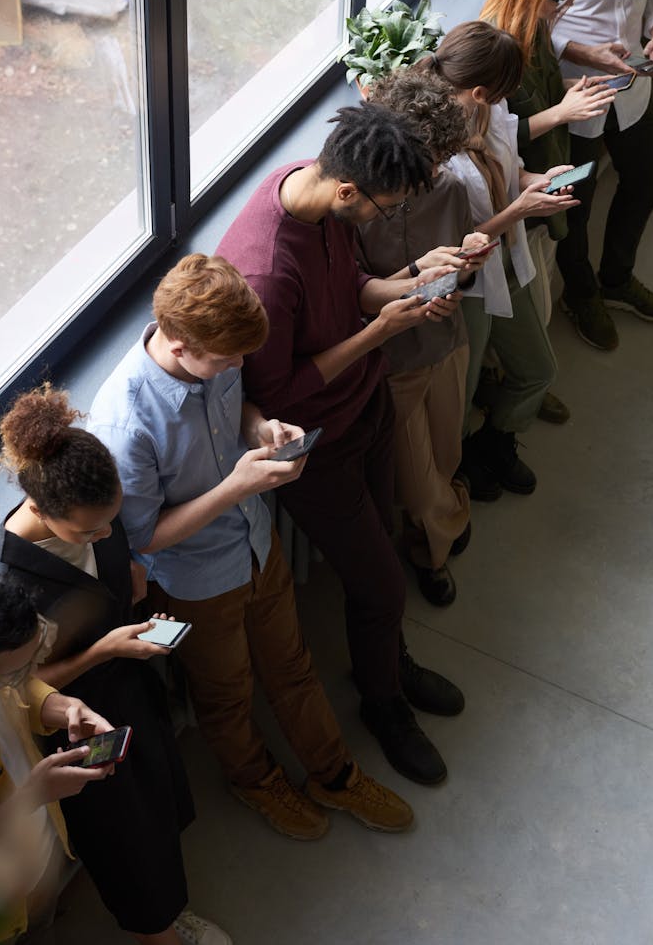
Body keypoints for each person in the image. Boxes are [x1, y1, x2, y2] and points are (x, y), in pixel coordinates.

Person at [88, 253, 414, 840]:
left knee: (293, 667)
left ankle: (333, 774)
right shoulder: (124, 424)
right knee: (226, 693)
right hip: (194, 584)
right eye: (225, 360)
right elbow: (140, 540)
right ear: (178, 343)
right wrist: (235, 485)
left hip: (259, 546)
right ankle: (255, 781)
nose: (237, 366)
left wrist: (262, 428)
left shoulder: (219, 351)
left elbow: (238, 405)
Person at [216, 101, 467, 787]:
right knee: (381, 577)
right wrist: (382, 332)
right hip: (317, 446)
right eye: (385, 209)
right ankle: (384, 704)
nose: (384, 220)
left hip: (367, 403)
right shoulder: (265, 274)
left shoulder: (315, 189)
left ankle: (387, 658)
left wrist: (410, 285)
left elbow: (355, 286)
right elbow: (282, 398)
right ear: (349, 190)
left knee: (382, 553)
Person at [0, 384, 233, 945]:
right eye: (88, 532)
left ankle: (166, 911)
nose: (103, 535)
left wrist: (133, 576)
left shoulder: (95, 506)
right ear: (39, 509)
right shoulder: (8, 581)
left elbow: (110, 558)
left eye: (109, 524)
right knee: (125, 839)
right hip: (78, 725)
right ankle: (158, 930)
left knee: (156, 807)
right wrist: (104, 650)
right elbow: (20, 691)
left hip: (133, 691)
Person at [416, 21, 579, 499]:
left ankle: (496, 440)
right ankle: (463, 462)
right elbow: (451, 248)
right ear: (480, 90)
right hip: (468, 284)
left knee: (538, 369)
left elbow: (511, 168)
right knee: (459, 394)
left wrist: (534, 179)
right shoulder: (432, 153)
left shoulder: (490, 109)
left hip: (508, 262)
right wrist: (518, 212)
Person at [525, 0, 653, 351]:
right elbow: (523, 19)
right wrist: (579, 51)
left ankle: (616, 279)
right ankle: (582, 294)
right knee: (577, 202)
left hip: (632, 88)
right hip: (575, 95)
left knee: (649, 179)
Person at [357, 68, 492, 607]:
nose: (437, 171)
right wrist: (413, 282)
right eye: (430, 159)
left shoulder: (451, 184)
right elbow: (354, 296)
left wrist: (466, 271)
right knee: (412, 482)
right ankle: (438, 544)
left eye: (442, 158)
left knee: (447, 451)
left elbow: (460, 264)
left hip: (447, 340)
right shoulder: (358, 208)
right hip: (394, 361)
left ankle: (441, 520)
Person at [480, 0, 616, 422]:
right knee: (529, 306)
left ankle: (521, 377)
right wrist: (563, 112)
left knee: (541, 287)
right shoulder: (493, 47)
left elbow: (537, 97)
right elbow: (486, 143)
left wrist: (572, 87)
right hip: (521, 195)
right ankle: (517, 382)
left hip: (547, 178)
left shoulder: (534, 29)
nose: (563, 9)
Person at [0, 570, 113, 945]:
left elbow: (18, 690)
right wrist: (31, 796)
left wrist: (63, 707)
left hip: (40, 851)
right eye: (19, 670)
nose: (33, 672)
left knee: (40, 918)